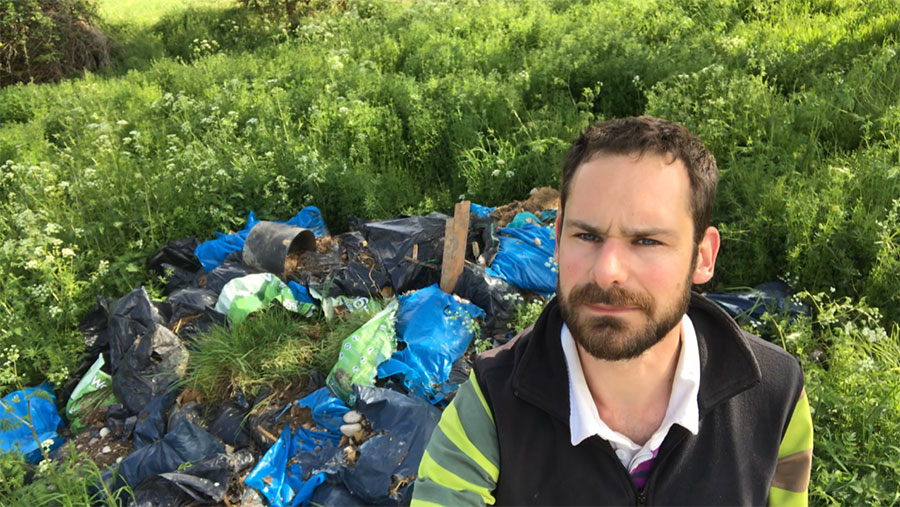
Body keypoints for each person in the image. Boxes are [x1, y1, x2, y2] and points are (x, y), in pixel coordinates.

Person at [411, 116, 813, 506]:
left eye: (647, 241)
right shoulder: (490, 406)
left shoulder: (774, 395)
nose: (607, 272)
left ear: (702, 257)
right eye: (587, 235)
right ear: (557, 239)